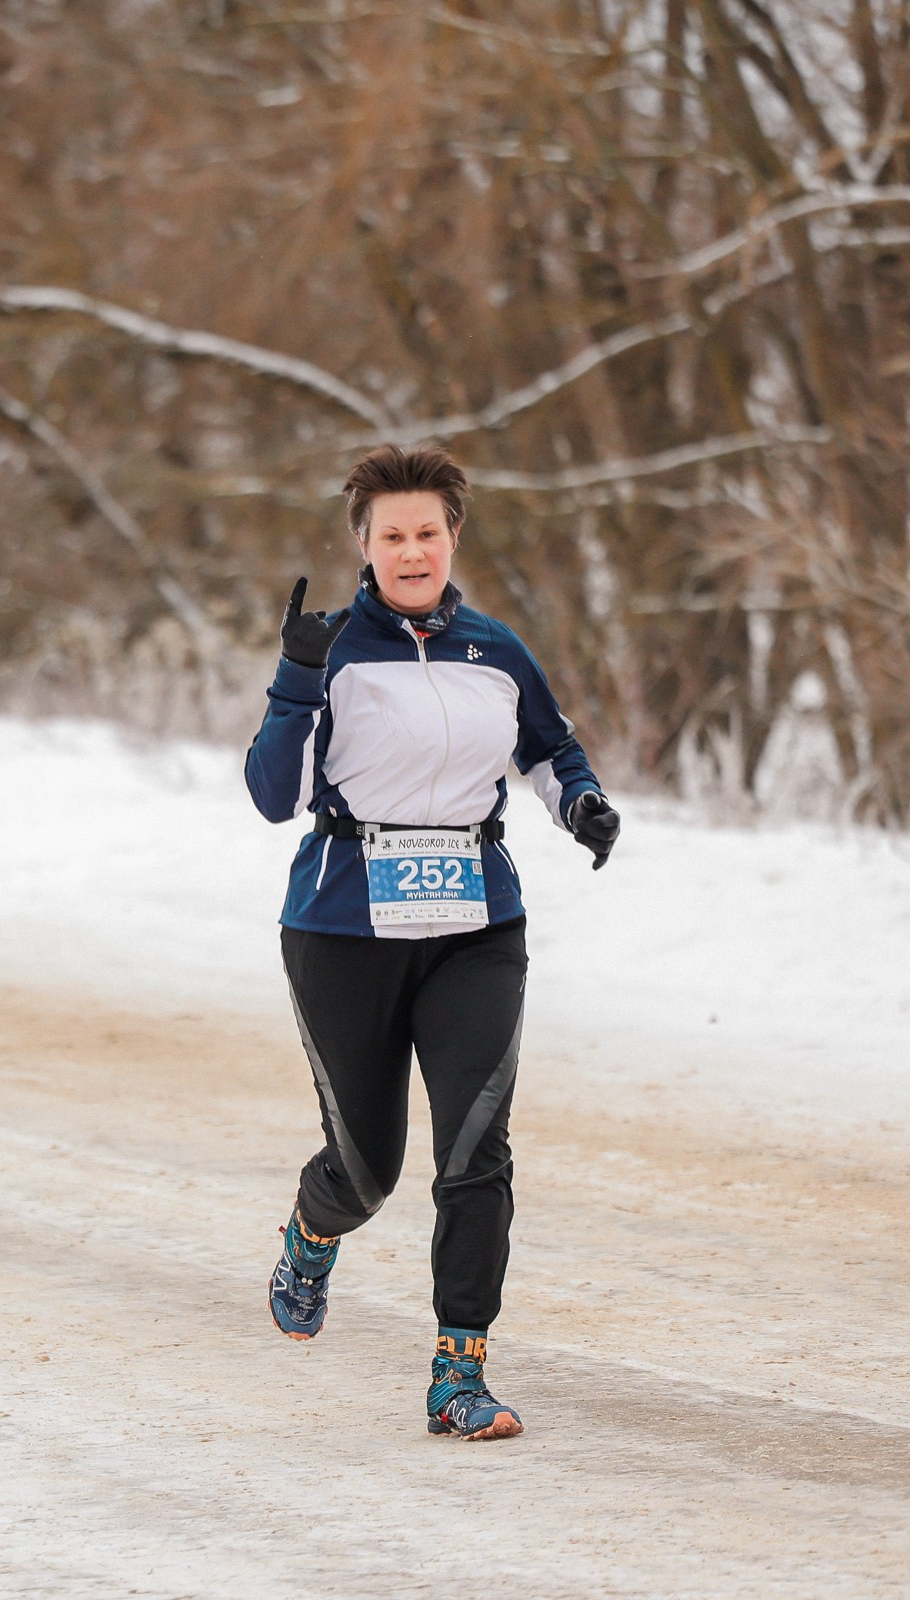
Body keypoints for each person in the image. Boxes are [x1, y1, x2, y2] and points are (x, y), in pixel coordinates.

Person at [242, 443, 621, 1442]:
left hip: (475, 928)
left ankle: (460, 1372)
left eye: (428, 532)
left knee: (476, 1148)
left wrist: (578, 801)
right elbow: (271, 795)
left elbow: (550, 745)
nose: (412, 550)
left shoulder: (497, 648)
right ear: (362, 543)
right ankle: (313, 1232)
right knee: (369, 1170)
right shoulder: (334, 652)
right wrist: (293, 680)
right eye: (392, 534)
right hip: (343, 929)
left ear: (455, 535)